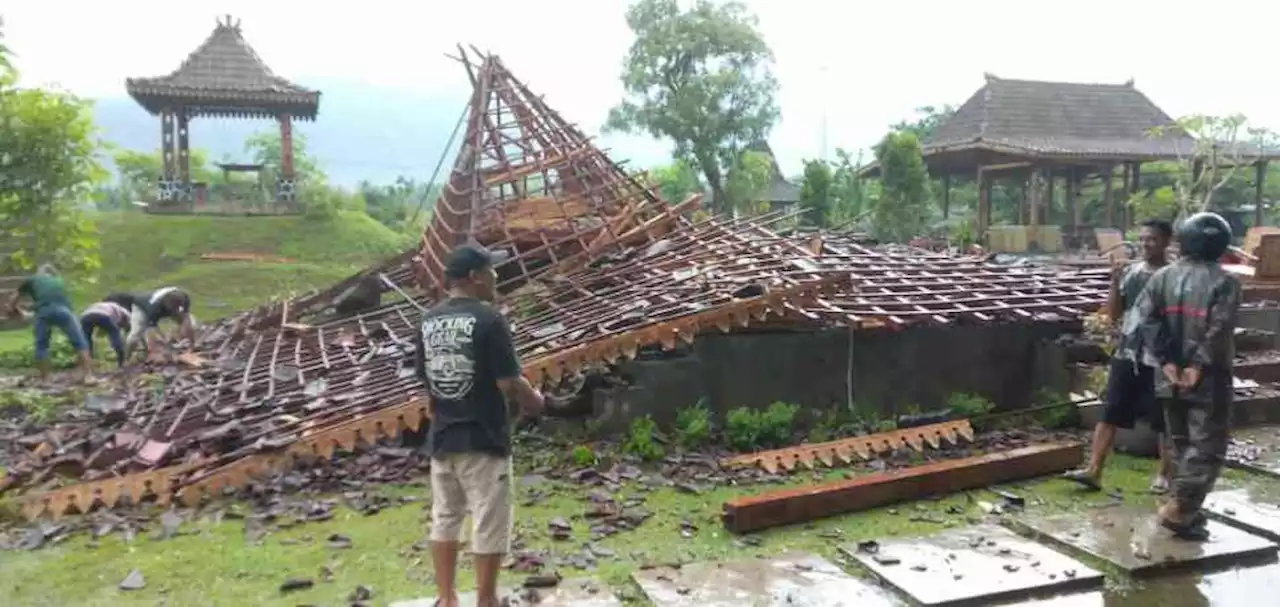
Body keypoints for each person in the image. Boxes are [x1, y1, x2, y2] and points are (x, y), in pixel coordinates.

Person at [413, 243, 544, 607]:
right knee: (489, 520)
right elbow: (508, 382)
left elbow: (428, 381)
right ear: (474, 277)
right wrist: (536, 402)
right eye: (492, 270)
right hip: (483, 438)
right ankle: (486, 600)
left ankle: (447, 597)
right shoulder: (489, 319)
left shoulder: (428, 321)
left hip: (443, 438)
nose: (497, 276)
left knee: (445, 518)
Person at [1126, 212, 1241, 541]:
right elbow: (1219, 328)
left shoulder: (1161, 278)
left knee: (1179, 443)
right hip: (1209, 378)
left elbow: (1146, 319)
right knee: (1207, 446)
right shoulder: (1226, 282)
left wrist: (1166, 362)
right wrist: (1197, 366)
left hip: (1169, 377)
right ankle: (1180, 510)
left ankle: (1187, 512)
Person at [1064, 220, 1175, 493]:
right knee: (1111, 411)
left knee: (1164, 419)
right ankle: (1094, 470)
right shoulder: (1132, 273)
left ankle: (1164, 475)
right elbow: (1113, 315)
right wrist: (1114, 281)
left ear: (1167, 242)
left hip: (1160, 357)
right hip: (1128, 352)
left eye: (1153, 239)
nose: (1147, 244)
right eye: (1144, 238)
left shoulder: (1175, 276)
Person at [8, 264, 92, 381]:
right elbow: (52, 301)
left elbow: (14, 298)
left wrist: (13, 309)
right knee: (80, 342)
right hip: (65, 311)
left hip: (44, 312)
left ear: (39, 273)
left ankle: (47, 379)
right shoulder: (58, 280)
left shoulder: (33, 279)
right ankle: (88, 376)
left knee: (41, 346)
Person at [106, 287, 196, 359]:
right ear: (166, 305)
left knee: (191, 322)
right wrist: (165, 345)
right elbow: (153, 331)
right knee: (135, 335)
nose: (173, 313)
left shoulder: (184, 298)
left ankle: (191, 347)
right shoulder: (154, 308)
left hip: (169, 302)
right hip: (140, 308)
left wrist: (191, 346)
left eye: (177, 308)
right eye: (171, 309)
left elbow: (186, 319)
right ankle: (126, 357)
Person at [80, 300, 131, 368]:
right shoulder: (121, 310)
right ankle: (121, 359)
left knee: (86, 339)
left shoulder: (102, 305)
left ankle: (88, 360)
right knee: (115, 333)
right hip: (103, 315)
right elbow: (123, 323)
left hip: (85, 316)